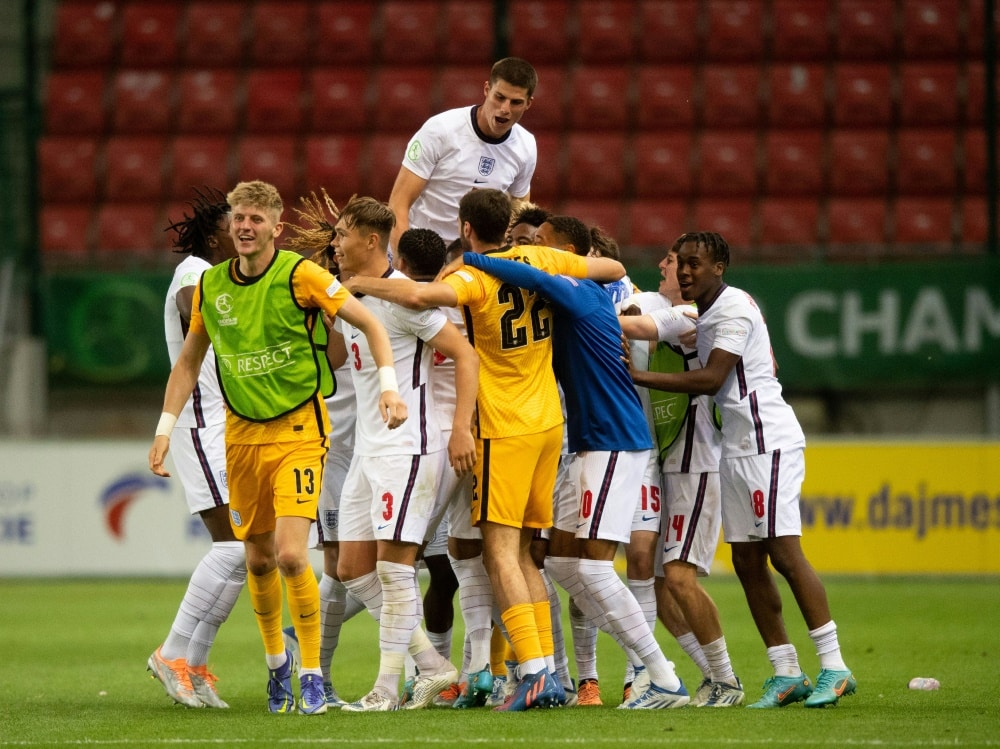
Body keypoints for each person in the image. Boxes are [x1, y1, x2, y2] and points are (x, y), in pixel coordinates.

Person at [344, 188, 627, 712]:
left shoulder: (471, 275)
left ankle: (535, 672)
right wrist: (543, 273)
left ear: (467, 228)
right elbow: (611, 268)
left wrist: (357, 283)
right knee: (524, 554)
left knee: (498, 552)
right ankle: (547, 675)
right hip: (549, 422)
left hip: (506, 425)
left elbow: (423, 299)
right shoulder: (538, 257)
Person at [148, 180, 407, 716]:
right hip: (240, 437)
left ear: (275, 226)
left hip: (297, 433)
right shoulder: (210, 286)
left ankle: (310, 674)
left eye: (255, 220)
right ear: (230, 225)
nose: (245, 227)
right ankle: (276, 669)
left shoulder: (301, 274)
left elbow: (368, 325)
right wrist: (164, 428)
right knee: (257, 560)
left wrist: (387, 384)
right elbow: (188, 361)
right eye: (238, 218)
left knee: (292, 556)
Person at [626, 231, 857, 709]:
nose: (686, 271)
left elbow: (711, 379)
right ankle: (786, 670)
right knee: (749, 562)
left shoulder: (731, 308)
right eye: (681, 263)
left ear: (720, 267)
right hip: (736, 445)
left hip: (766, 440)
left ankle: (833, 666)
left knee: (784, 554)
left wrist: (639, 376)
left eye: (695, 264)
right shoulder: (706, 312)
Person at [461, 249, 691, 710]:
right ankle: (599, 672)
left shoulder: (581, 293)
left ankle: (661, 675)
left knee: (592, 567)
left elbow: (529, 273)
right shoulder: (579, 296)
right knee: (562, 565)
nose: (535, 251)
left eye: (546, 243)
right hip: (585, 443)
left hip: (613, 440)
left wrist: (472, 258)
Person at [328, 197, 475, 712]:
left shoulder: (403, 300)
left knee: (395, 569)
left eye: (343, 233)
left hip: (408, 446)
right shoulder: (352, 299)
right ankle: (432, 666)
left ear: (372, 240)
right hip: (369, 448)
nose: (335, 242)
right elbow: (340, 359)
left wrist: (461, 429)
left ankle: (386, 689)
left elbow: (464, 354)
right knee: (351, 567)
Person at [619, 241, 745, 708]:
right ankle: (703, 676)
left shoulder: (693, 315)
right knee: (657, 581)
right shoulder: (657, 302)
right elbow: (637, 309)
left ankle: (727, 680)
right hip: (668, 458)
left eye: (674, 262)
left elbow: (644, 321)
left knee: (678, 576)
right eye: (676, 262)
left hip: (696, 459)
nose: (667, 267)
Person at [147, 187, 246, 710]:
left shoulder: (220, 278)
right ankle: (171, 653)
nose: (245, 233)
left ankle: (195, 663)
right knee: (232, 546)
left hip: (226, 425)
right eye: (236, 226)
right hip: (202, 422)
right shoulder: (194, 274)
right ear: (214, 235)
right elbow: (196, 315)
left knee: (249, 552)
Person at [280, 188, 365, 708]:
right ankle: (315, 666)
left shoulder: (354, 294)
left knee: (411, 559)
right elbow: (333, 361)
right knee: (342, 565)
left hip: (372, 442)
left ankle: (305, 649)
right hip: (336, 445)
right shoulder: (320, 308)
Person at [387, 57, 539, 251]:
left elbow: (519, 212)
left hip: (476, 259)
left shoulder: (526, 145)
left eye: (516, 102)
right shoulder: (440, 130)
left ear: (528, 103)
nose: (504, 109)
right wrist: (405, 260)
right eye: (499, 97)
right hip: (422, 251)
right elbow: (398, 203)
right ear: (486, 89)